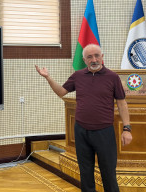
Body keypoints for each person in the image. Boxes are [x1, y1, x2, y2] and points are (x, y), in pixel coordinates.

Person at [35, 44, 132, 192]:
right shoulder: (78, 76)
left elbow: (122, 103)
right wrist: (48, 77)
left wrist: (127, 128)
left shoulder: (113, 77)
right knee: (85, 174)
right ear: (84, 60)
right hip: (81, 132)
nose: (94, 59)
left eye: (97, 56)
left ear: (102, 57)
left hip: (104, 132)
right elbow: (61, 92)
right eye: (89, 57)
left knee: (108, 174)